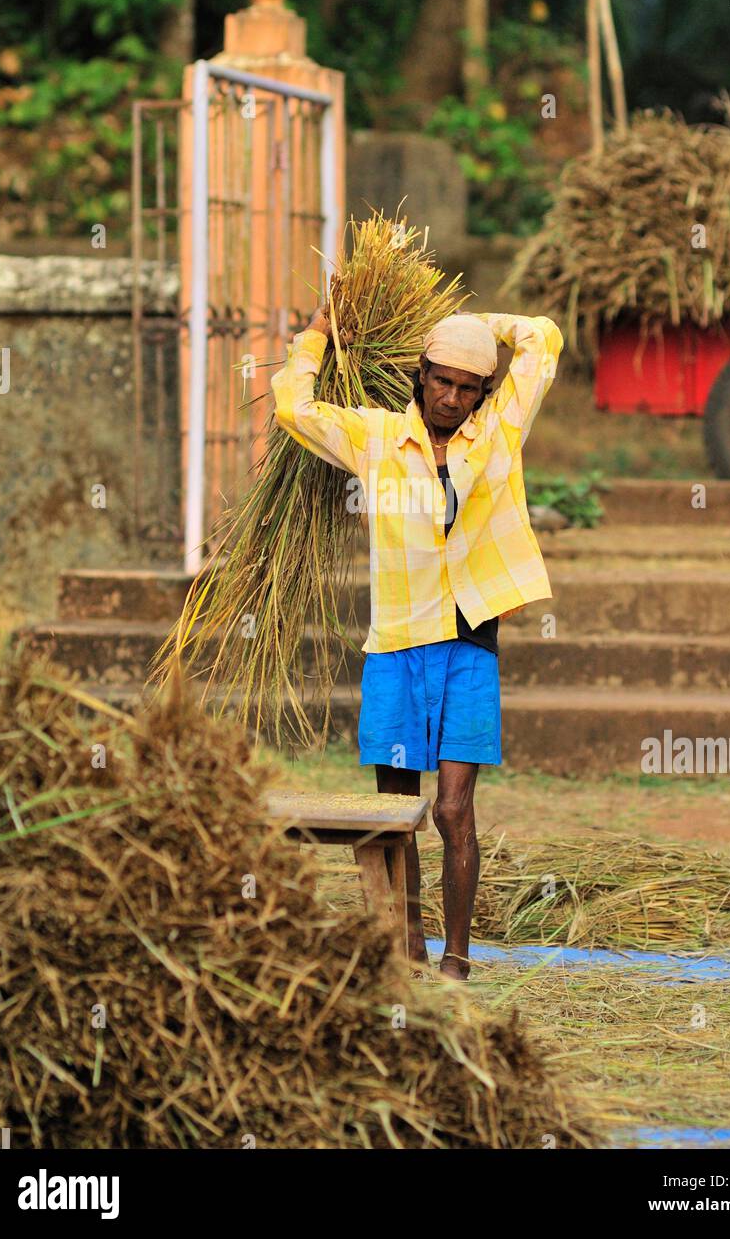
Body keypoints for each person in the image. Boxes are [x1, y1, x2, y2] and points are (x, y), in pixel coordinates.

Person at [271, 306, 563, 979]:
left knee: (454, 809)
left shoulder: (495, 434)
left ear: (482, 394)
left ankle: (456, 961)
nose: (452, 399)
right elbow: (293, 405)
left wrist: (469, 320)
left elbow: (542, 335)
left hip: (468, 646)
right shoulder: (373, 439)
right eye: (441, 382)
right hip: (396, 649)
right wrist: (315, 335)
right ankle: (405, 950)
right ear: (419, 374)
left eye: (468, 388)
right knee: (395, 813)